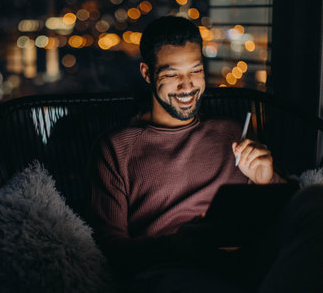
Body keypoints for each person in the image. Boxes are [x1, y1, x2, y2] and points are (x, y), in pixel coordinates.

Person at [87, 16, 323, 292]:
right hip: (173, 270)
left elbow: (281, 215)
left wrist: (266, 180)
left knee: (313, 199)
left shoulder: (232, 132)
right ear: (147, 73)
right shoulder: (115, 149)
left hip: (245, 259)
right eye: (172, 74)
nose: (187, 86)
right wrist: (174, 246)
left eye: (195, 71)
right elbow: (110, 248)